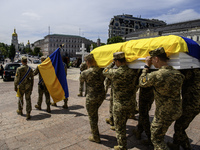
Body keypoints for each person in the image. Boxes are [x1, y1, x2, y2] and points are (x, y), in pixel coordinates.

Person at [139, 47, 185, 150]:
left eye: (152, 59)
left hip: (164, 113)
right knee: (160, 132)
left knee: (156, 138)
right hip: (176, 110)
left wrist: (146, 66)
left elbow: (142, 82)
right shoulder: (178, 74)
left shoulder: (157, 75)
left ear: (156, 59)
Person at [103, 52, 139, 150]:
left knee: (120, 128)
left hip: (119, 106)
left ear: (117, 61)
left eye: (115, 61)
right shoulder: (133, 71)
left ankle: (122, 146)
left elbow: (105, 71)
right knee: (124, 121)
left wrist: (111, 64)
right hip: (131, 104)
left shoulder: (115, 73)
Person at [168, 68, 200, 150]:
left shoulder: (192, 71)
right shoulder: (195, 69)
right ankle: (175, 144)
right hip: (194, 104)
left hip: (192, 105)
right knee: (180, 122)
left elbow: (178, 78)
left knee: (179, 127)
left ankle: (187, 147)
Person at [80, 54, 105, 143]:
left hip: (91, 97)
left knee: (92, 116)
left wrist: (80, 93)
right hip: (101, 96)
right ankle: (94, 129)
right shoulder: (101, 70)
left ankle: (96, 137)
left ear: (87, 62)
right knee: (95, 113)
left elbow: (81, 84)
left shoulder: (85, 73)